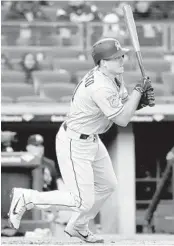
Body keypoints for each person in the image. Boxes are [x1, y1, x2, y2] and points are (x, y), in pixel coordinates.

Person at [8, 38, 155, 243]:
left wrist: (137, 103)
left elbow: (120, 108)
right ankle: (28, 198)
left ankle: (78, 226)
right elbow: (122, 120)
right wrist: (138, 93)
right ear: (103, 62)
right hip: (74, 142)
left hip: (92, 138)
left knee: (108, 185)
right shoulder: (100, 86)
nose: (122, 59)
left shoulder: (113, 76)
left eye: (122, 55)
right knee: (81, 201)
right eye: (116, 57)